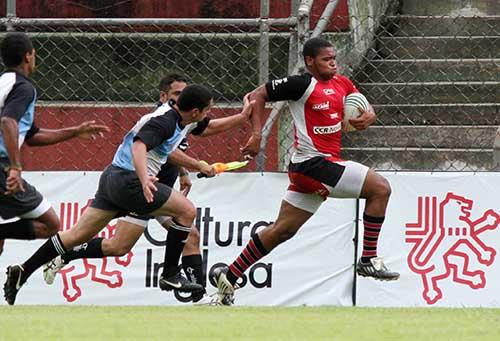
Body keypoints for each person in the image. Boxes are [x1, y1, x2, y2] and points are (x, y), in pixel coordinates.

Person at [3, 83, 253, 305]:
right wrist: (144, 179)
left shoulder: (181, 118)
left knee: (80, 236)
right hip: (131, 182)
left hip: (113, 179)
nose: (208, 115)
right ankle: (170, 275)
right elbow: (139, 144)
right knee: (187, 212)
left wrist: (243, 117)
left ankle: (23, 271)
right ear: (195, 111)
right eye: (208, 110)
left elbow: (207, 127)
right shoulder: (165, 121)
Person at [211, 37, 400, 305]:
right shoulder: (301, 84)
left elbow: (362, 105)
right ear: (310, 61)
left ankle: (229, 275)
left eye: (334, 57)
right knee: (380, 188)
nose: (333, 62)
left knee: (282, 230)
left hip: (313, 168)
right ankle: (368, 258)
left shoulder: (342, 83)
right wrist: (256, 135)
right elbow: (257, 95)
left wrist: (370, 115)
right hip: (313, 163)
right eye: (326, 59)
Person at [0, 32, 109, 255]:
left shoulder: (4, 84)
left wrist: (74, 131)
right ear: (29, 56)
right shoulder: (24, 87)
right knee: (50, 224)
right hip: (2, 168)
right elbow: (8, 121)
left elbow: (31, 135)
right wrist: (15, 167)